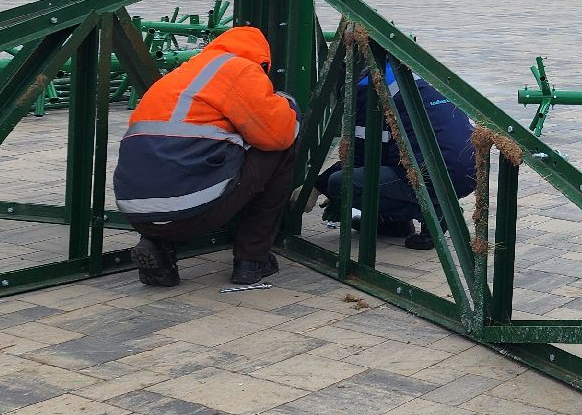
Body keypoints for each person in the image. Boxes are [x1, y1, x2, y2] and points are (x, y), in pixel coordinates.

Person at [113, 25, 300, 288]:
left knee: (182, 169)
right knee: (282, 141)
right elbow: (278, 135)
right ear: (263, 60)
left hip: (135, 210)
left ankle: (158, 244)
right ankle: (252, 260)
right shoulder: (240, 69)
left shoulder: (183, 72)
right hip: (192, 209)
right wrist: (285, 102)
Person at [317, 64, 476, 251]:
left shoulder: (365, 88)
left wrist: (319, 186)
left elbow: (360, 158)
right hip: (470, 170)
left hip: (434, 174)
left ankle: (435, 210)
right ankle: (394, 222)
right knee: (392, 161)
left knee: (340, 182)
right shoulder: (415, 70)